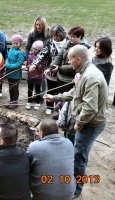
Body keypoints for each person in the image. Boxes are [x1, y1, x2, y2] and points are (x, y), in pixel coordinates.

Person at [44, 45, 108, 198]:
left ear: (78, 59)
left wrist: (79, 123)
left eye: (70, 60)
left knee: (80, 156)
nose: (69, 63)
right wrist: (55, 97)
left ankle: (76, 190)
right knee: (76, 152)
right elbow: (74, 93)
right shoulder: (84, 72)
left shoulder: (90, 77)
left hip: (90, 124)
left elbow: (90, 108)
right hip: (87, 121)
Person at [27, 119, 75, 200]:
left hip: (43, 197)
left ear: (41, 133)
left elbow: (26, 166)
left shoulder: (34, 147)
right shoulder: (69, 143)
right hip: (68, 195)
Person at [30, 25, 68, 115]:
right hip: (50, 72)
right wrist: (34, 64)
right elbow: (42, 54)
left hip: (63, 72)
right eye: (53, 35)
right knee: (50, 89)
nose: (55, 38)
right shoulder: (49, 42)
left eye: (57, 35)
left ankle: (60, 108)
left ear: (62, 34)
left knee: (61, 91)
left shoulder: (68, 42)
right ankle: (49, 106)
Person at [48, 26, 90, 94]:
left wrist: (59, 68)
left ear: (80, 37)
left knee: (67, 100)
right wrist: (51, 67)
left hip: (70, 80)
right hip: (60, 78)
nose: (70, 39)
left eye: (73, 37)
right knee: (60, 99)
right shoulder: (67, 43)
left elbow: (74, 66)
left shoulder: (83, 49)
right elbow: (59, 56)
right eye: (70, 36)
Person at [4, 34, 26, 109]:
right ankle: (11, 100)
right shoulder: (11, 49)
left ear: (20, 43)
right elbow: (7, 57)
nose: (15, 44)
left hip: (16, 74)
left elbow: (19, 64)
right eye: (13, 43)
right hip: (9, 73)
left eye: (16, 43)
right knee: (10, 87)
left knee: (15, 88)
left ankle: (15, 101)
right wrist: (6, 62)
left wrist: (8, 66)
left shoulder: (20, 53)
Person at [26, 40, 45, 110]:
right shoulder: (30, 55)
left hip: (38, 77)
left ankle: (37, 102)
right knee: (29, 89)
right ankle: (29, 101)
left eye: (36, 49)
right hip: (30, 76)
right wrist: (28, 65)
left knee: (37, 90)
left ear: (40, 50)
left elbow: (43, 66)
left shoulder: (43, 57)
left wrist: (36, 67)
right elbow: (28, 64)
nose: (34, 50)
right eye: (33, 48)